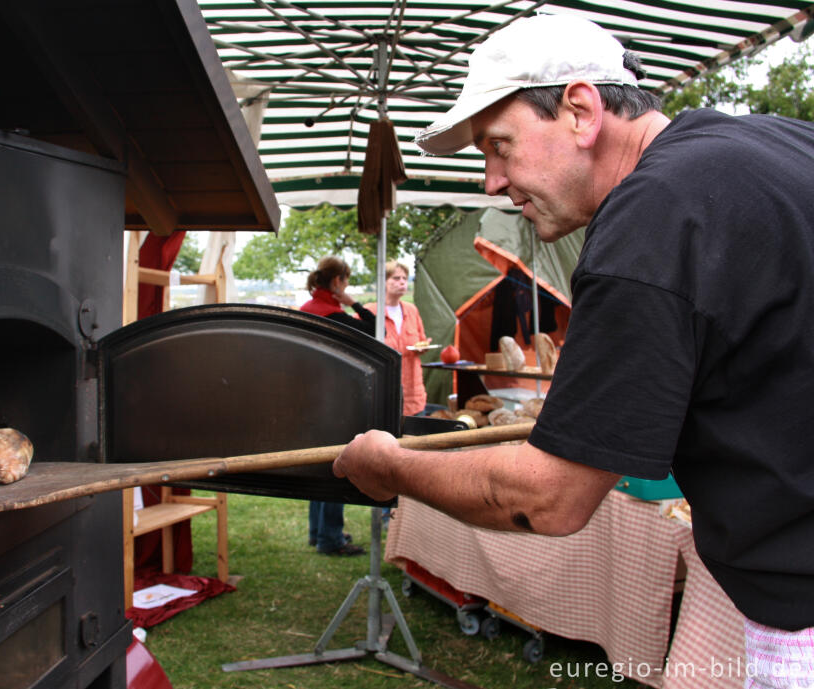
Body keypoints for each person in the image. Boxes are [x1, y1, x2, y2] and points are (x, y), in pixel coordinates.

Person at [331, 13, 814, 686]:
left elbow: (548, 497)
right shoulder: (778, 143)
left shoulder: (649, 223)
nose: (492, 183)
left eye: (500, 146)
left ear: (581, 110)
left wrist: (393, 466)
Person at [299, 256, 370, 556]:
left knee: (319, 466)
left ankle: (319, 532)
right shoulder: (335, 315)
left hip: (307, 398)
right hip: (331, 400)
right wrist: (354, 303)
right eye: (347, 280)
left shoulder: (305, 310)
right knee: (335, 468)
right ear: (338, 282)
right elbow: (375, 329)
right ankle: (331, 538)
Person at [366, 261, 431, 417]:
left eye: (404, 278)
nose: (402, 282)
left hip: (413, 393)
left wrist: (423, 347)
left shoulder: (412, 310)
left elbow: (421, 340)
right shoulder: (370, 311)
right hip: (382, 391)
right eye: (396, 278)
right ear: (384, 282)